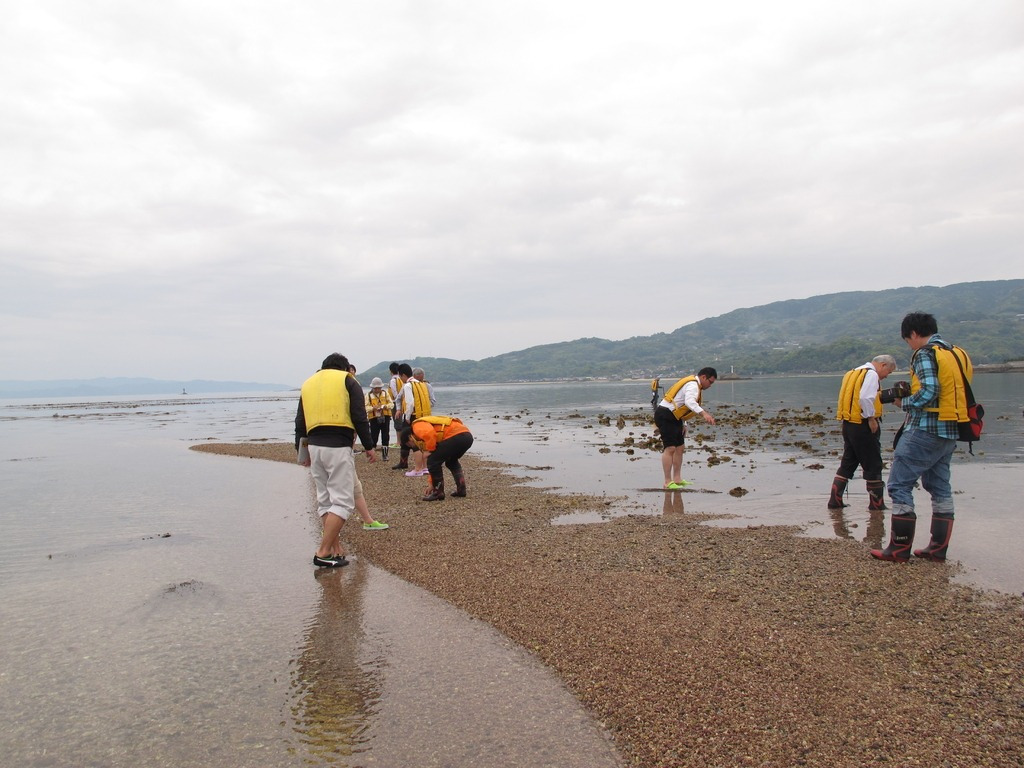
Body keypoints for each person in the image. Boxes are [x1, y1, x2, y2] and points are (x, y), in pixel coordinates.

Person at [871, 312, 973, 563]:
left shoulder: (925, 353)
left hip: (925, 429)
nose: (910, 345)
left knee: (898, 484)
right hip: (951, 430)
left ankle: (898, 548)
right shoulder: (955, 353)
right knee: (939, 487)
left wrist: (903, 401)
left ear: (914, 334)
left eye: (908, 340)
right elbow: (946, 389)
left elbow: (929, 390)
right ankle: (938, 549)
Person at [296, 353, 378, 568]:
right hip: (338, 446)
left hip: (314, 447)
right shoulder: (348, 381)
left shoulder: (308, 383)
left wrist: (301, 452)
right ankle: (323, 552)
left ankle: (334, 549)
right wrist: (369, 446)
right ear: (344, 368)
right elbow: (359, 416)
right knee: (342, 501)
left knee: (325, 500)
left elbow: (300, 421)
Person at [827, 354, 899, 511]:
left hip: (848, 424)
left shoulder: (852, 372)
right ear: (883, 365)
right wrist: (871, 418)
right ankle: (876, 504)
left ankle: (835, 500)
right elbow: (865, 398)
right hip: (862, 425)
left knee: (848, 462)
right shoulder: (871, 374)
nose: (887, 376)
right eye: (889, 372)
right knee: (873, 463)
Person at [653, 367, 717, 489]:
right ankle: (667, 482)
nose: (710, 385)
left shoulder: (695, 385)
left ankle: (677, 479)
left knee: (680, 448)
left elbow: (681, 405)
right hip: (665, 415)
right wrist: (704, 414)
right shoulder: (693, 385)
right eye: (710, 382)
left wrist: (684, 423)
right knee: (670, 448)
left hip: (676, 417)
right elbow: (689, 402)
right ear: (704, 377)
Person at [399, 415, 473, 501]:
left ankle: (438, 492)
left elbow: (429, 433)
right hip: (466, 436)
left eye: (409, 445)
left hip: (456, 435)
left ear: (409, 437)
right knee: (451, 462)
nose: (413, 446)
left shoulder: (416, 426)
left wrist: (429, 451)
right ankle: (461, 489)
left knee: (433, 461)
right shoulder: (422, 434)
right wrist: (431, 483)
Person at [396, 366, 434, 475]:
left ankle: (417, 469)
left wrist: (407, 417)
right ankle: (425, 467)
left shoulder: (408, 385)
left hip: (413, 417)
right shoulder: (422, 384)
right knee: (423, 441)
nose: (400, 379)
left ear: (403, 375)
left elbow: (410, 402)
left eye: (400, 376)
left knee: (412, 442)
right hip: (425, 417)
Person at [365, 377, 395, 460]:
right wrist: (373, 408)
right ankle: (372, 455)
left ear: (381, 387)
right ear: (372, 388)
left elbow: (391, 404)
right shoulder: (368, 395)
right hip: (374, 418)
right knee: (373, 436)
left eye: (378, 388)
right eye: (375, 388)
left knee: (385, 435)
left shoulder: (385, 394)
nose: (377, 390)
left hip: (385, 417)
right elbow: (365, 407)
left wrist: (385, 406)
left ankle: (385, 455)